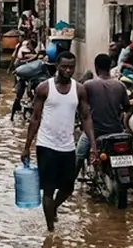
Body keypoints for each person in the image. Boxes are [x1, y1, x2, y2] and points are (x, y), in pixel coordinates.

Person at [21, 51, 96, 232]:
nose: (68, 70)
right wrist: (27, 147)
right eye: (64, 67)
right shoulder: (44, 88)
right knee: (48, 189)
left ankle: (53, 208)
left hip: (67, 146)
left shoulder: (79, 89)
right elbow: (35, 118)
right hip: (46, 145)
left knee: (68, 188)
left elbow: (86, 117)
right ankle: (51, 231)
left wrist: (93, 144)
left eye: (71, 67)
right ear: (57, 67)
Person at [75, 53, 130, 177]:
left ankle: (69, 185)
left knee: (79, 156)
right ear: (110, 67)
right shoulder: (120, 85)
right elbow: (127, 107)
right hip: (116, 130)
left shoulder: (88, 85)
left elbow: (81, 107)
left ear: (96, 67)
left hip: (95, 131)